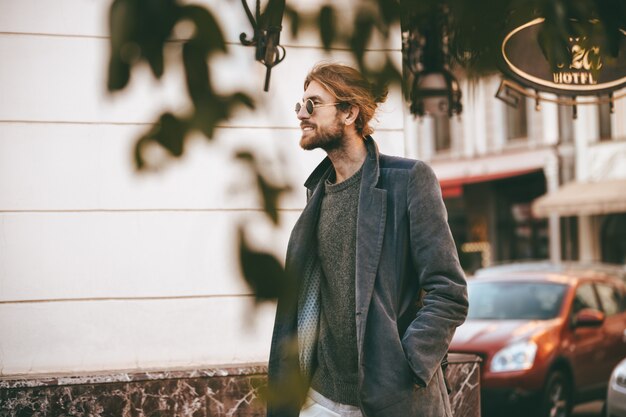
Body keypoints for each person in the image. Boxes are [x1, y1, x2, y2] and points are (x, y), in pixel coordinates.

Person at [267, 62, 468, 417]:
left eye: (312, 104)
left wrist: (406, 367)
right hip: (322, 399)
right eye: (299, 105)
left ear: (348, 112)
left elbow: (448, 291)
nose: (301, 114)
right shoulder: (318, 193)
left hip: (391, 400)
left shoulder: (408, 181)